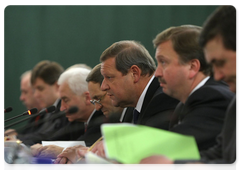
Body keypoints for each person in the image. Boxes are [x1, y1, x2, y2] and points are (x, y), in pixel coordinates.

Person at [122, 1, 240, 170]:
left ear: (192, 67)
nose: (157, 73)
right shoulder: (236, 101)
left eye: (163, 62)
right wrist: (174, 165)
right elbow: (219, 155)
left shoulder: (213, 97)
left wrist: (120, 145)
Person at [54, 63, 134, 165]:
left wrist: (81, 155)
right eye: (94, 101)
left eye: (98, 99)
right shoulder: (113, 116)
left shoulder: (127, 114)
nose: (97, 108)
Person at [100, 40, 179, 130]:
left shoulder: (163, 100)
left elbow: (149, 143)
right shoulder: (132, 107)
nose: (103, 87)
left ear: (134, 73)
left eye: (109, 77)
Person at [31, 67, 105, 162]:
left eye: (66, 100)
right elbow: (52, 137)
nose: (62, 108)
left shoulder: (103, 117)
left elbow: (90, 147)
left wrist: (63, 152)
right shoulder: (77, 120)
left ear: (87, 98)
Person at [15, 60, 69, 145]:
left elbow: (49, 136)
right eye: (34, 90)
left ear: (57, 86)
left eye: (40, 89)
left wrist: (16, 139)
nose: (36, 95)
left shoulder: (65, 109)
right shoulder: (47, 110)